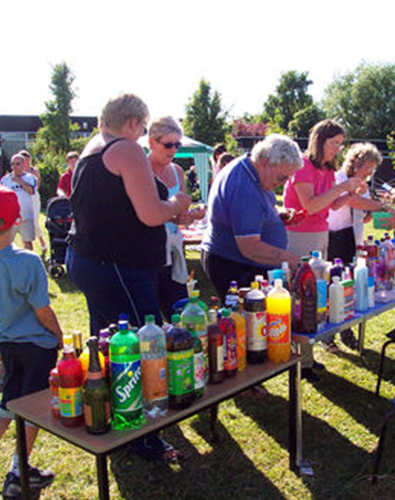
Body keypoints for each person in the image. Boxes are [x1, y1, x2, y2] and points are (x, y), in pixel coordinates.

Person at [66, 94, 191, 463]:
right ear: (135, 123)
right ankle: (144, 435)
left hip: (91, 261)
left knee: (106, 347)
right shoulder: (126, 150)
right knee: (142, 346)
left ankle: (107, 418)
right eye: (142, 127)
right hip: (117, 266)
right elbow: (152, 213)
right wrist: (177, 205)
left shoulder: (92, 148)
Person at [0, 185, 63, 498]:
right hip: (36, 348)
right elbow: (42, 310)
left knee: (8, 402)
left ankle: (17, 468)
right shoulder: (27, 262)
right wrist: (58, 335)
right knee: (33, 408)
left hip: (6, 345)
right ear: (16, 221)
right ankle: (18, 469)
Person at [202, 134, 302, 298]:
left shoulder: (252, 170)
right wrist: (296, 262)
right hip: (236, 266)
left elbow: (255, 209)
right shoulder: (245, 188)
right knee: (250, 320)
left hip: (238, 263)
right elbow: (250, 247)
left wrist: (275, 216)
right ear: (265, 162)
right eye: (282, 177)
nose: (284, 183)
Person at [148, 116, 205, 320]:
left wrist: (192, 216)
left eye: (178, 144)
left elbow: (179, 217)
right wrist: (176, 216)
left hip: (174, 253)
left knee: (180, 314)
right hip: (149, 253)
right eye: (169, 144)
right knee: (150, 316)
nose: (174, 150)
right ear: (152, 143)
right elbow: (146, 215)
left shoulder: (177, 171)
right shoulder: (141, 171)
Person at [283, 119, 363, 259]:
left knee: (320, 277)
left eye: (340, 144)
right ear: (320, 141)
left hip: (321, 233)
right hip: (299, 234)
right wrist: (341, 187)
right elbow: (310, 206)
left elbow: (333, 204)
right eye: (334, 143)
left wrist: (350, 193)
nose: (337, 149)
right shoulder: (303, 166)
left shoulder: (328, 169)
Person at [327, 142, 386, 264]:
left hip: (356, 239)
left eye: (373, 169)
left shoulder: (363, 185)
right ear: (356, 163)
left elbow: (364, 215)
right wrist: (382, 206)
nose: (370, 173)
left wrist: (371, 213)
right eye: (368, 168)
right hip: (336, 237)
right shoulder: (338, 179)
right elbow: (354, 202)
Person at [0, 154, 36, 250]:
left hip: (26, 215)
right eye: (13, 164)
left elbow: (31, 191)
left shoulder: (30, 178)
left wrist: (20, 181)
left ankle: (28, 262)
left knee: (27, 241)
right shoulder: (5, 179)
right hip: (10, 216)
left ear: (23, 164)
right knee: (5, 242)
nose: (15, 167)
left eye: (17, 164)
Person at [19, 150, 47, 253]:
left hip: (33, 198)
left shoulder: (34, 171)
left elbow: (35, 187)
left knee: (34, 222)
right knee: (23, 222)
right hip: (21, 198)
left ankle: (42, 242)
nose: (26, 162)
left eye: (27, 160)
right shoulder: (17, 172)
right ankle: (26, 246)